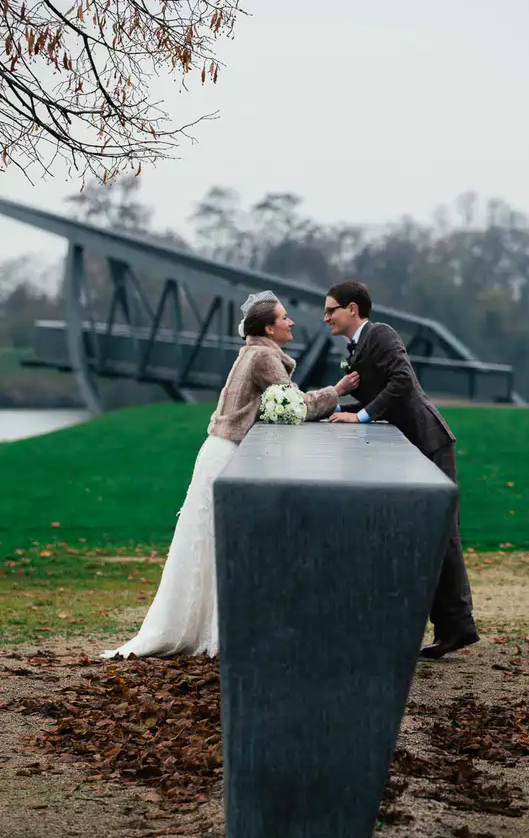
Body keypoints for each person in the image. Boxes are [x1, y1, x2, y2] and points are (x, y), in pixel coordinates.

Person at [101, 290, 359, 659]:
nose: (290, 323)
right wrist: (336, 391)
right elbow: (294, 405)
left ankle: (205, 626)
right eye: (284, 318)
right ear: (269, 328)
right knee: (226, 543)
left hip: (217, 452)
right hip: (230, 457)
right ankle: (223, 633)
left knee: (207, 542)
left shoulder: (251, 352)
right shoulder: (264, 358)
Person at [325, 280, 479, 659]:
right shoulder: (357, 347)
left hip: (428, 441)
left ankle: (457, 627)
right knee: (430, 533)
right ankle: (451, 628)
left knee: (444, 534)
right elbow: (381, 390)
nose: (325, 317)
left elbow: (402, 381)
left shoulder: (381, 334)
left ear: (353, 310)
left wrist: (360, 416)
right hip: (409, 448)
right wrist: (339, 402)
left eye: (331, 309)